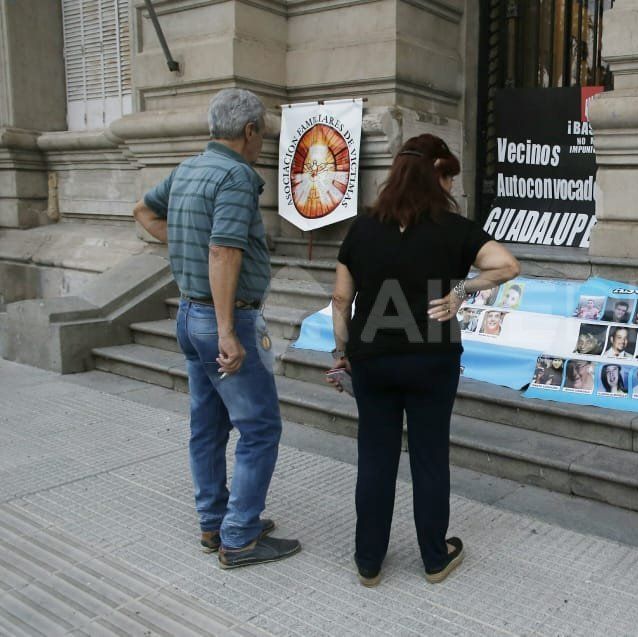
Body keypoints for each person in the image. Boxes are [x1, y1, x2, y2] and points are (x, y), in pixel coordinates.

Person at [328, 133, 520, 587]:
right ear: (437, 175)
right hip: (432, 360)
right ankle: (435, 558)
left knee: (375, 457)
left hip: (372, 359)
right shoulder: (455, 229)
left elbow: (340, 300)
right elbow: (508, 266)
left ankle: (368, 561)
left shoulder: (362, 228)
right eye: (449, 176)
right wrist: (460, 291)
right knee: (430, 457)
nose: (452, 185)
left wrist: (342, 355)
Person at [132, 88, 301, 568]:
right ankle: (241, 536)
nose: (262, 144)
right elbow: (225, 251)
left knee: (207, 425)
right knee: (260, 428)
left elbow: (143, 212)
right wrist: (228, 331)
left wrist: (183, 243)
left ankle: (214, 523)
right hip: (224, 320)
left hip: (189, 316)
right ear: (249, 132)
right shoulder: (235, 176)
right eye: (263, 135)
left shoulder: (188, 169)